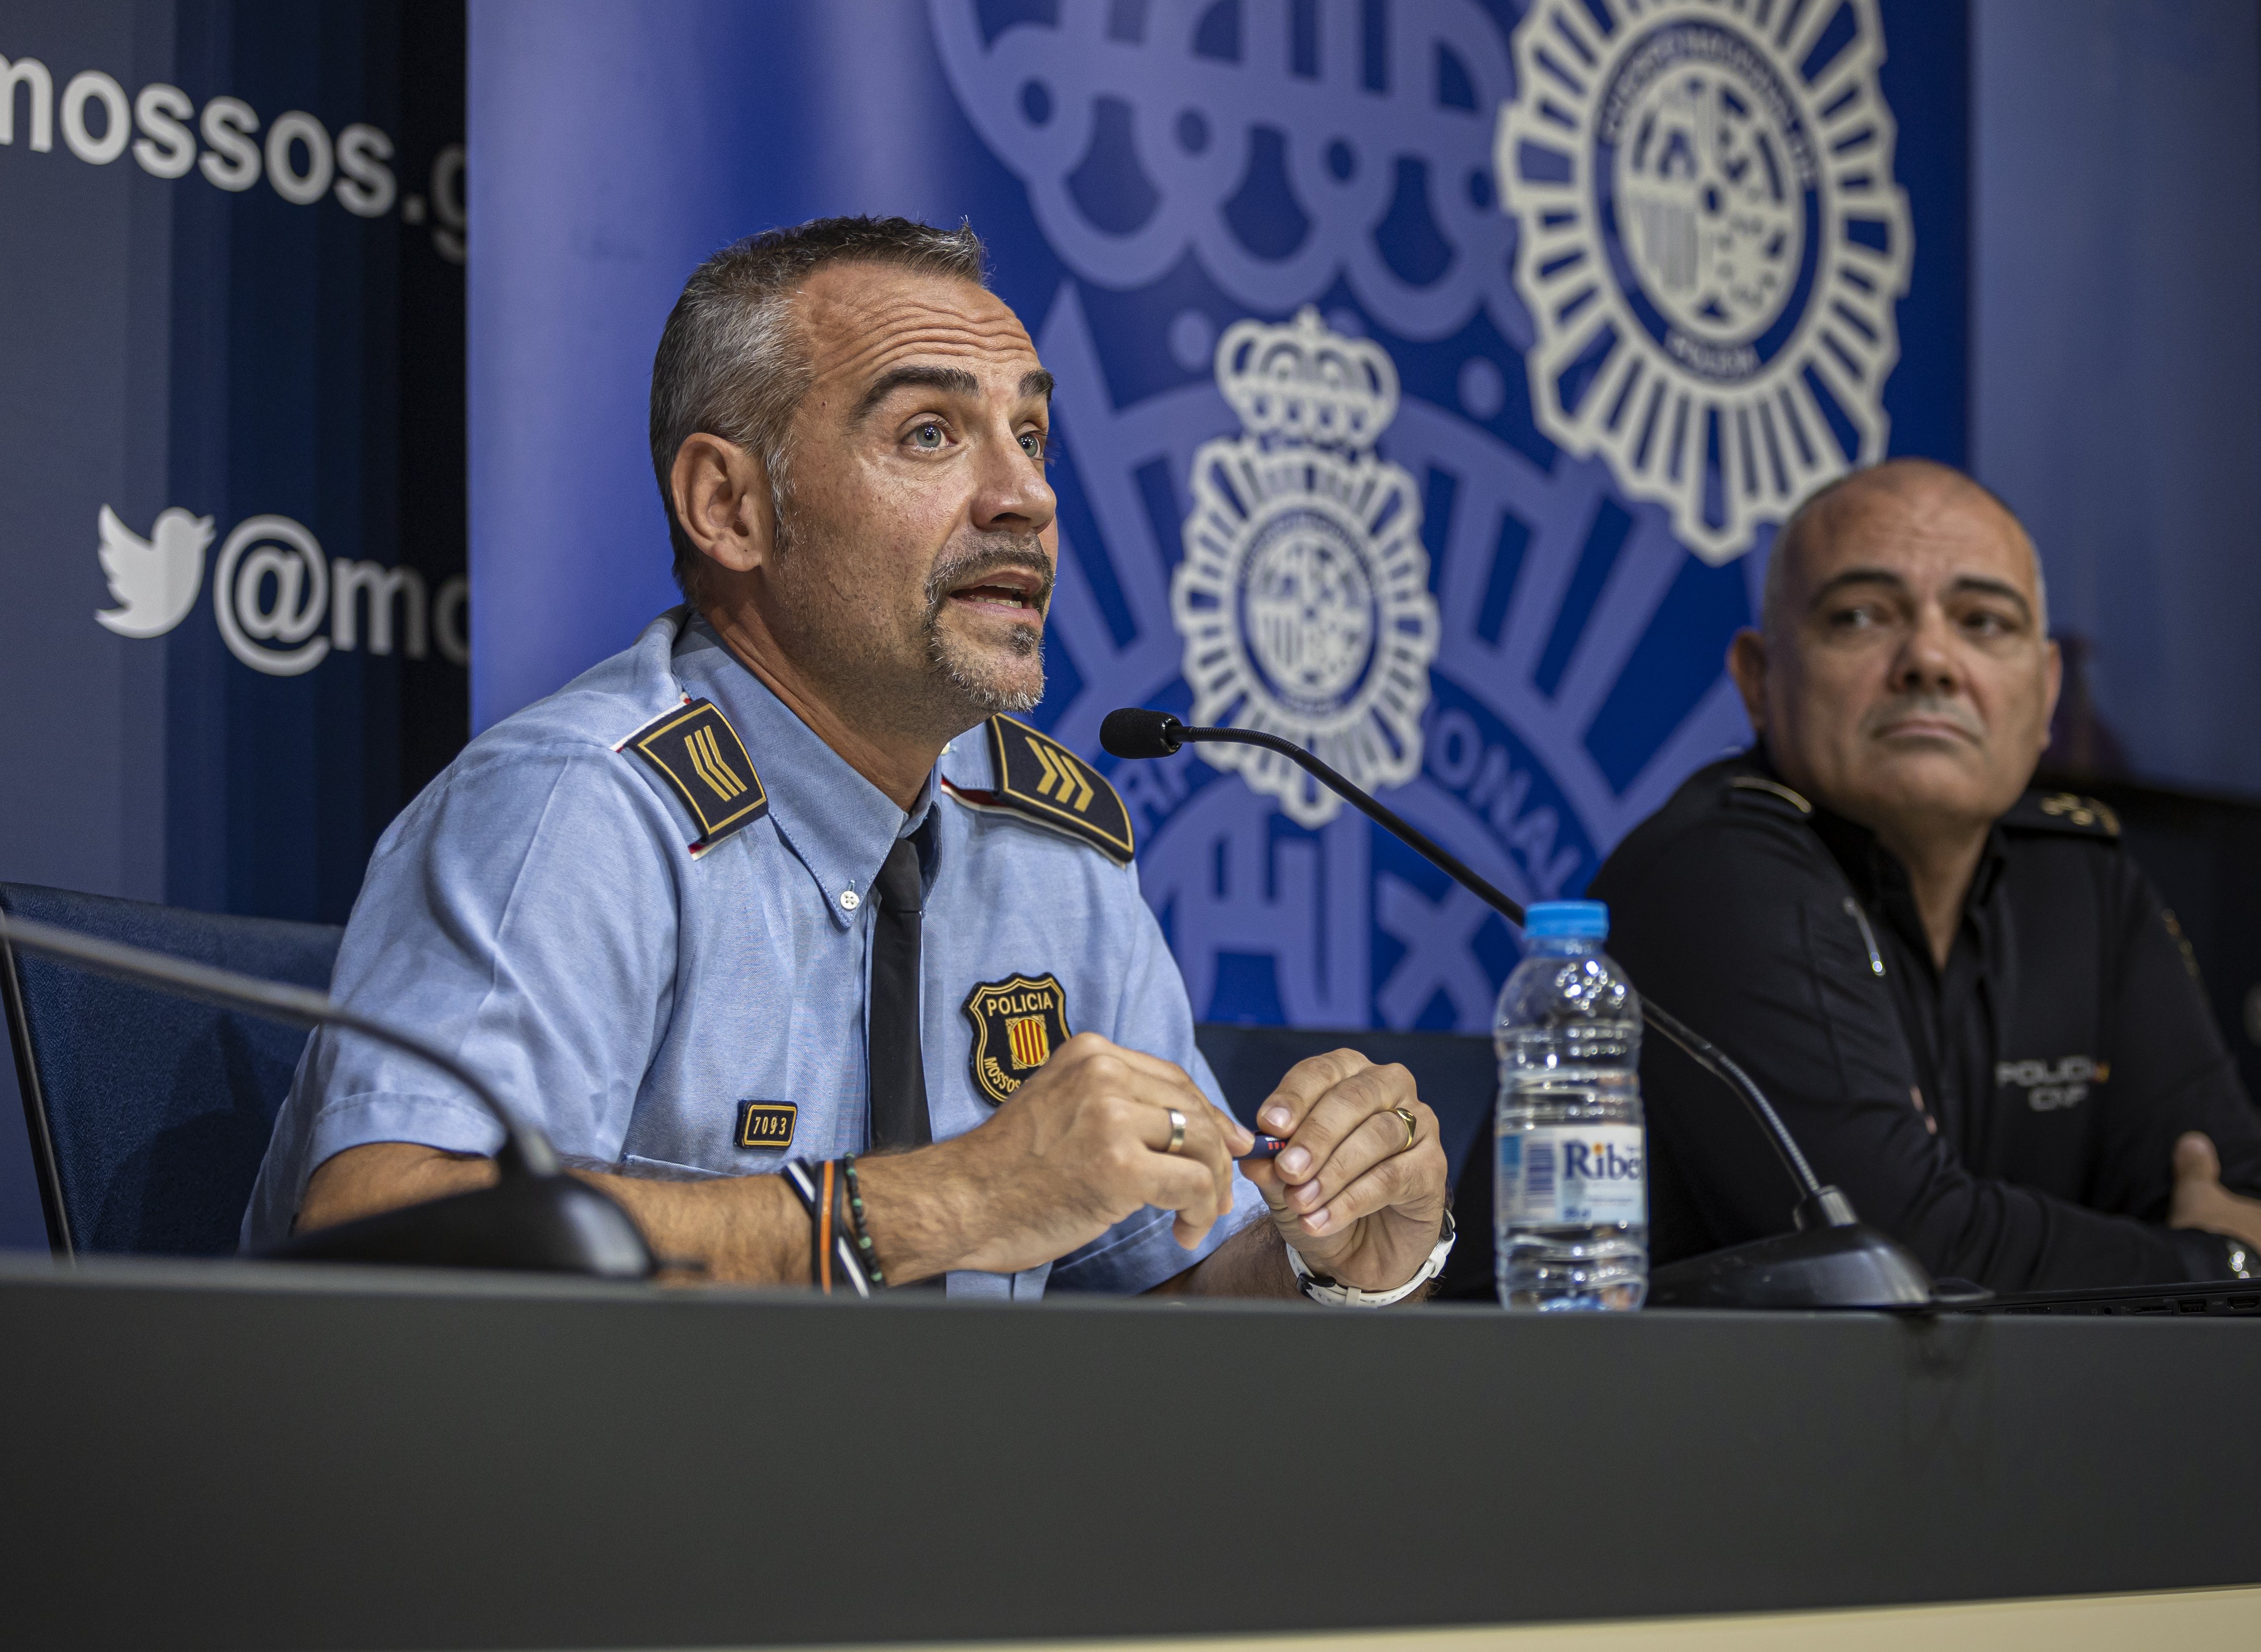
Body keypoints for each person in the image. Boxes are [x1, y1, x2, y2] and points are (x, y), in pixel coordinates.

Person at [244, 216, 1453, 1305]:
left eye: (1030, 434)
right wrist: (947, 1204)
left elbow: (1170, 1282)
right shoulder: (581, 811)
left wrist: (1326, 1256)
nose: (1025, 493)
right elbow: (388, 1237)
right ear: (730, 508)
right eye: (932, 433)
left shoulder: (1051, 854)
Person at [1483, 459, 2261, 1293]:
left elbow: (2237, 1197)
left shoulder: (2086, 884)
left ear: (2047, 693)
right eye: (1859, 617)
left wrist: (2226, 1249)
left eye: (1984, 622)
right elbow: (1894, 1254)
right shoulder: (1712, 876)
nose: (1929, 658)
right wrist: (2214, 1264)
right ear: (1759, 681)